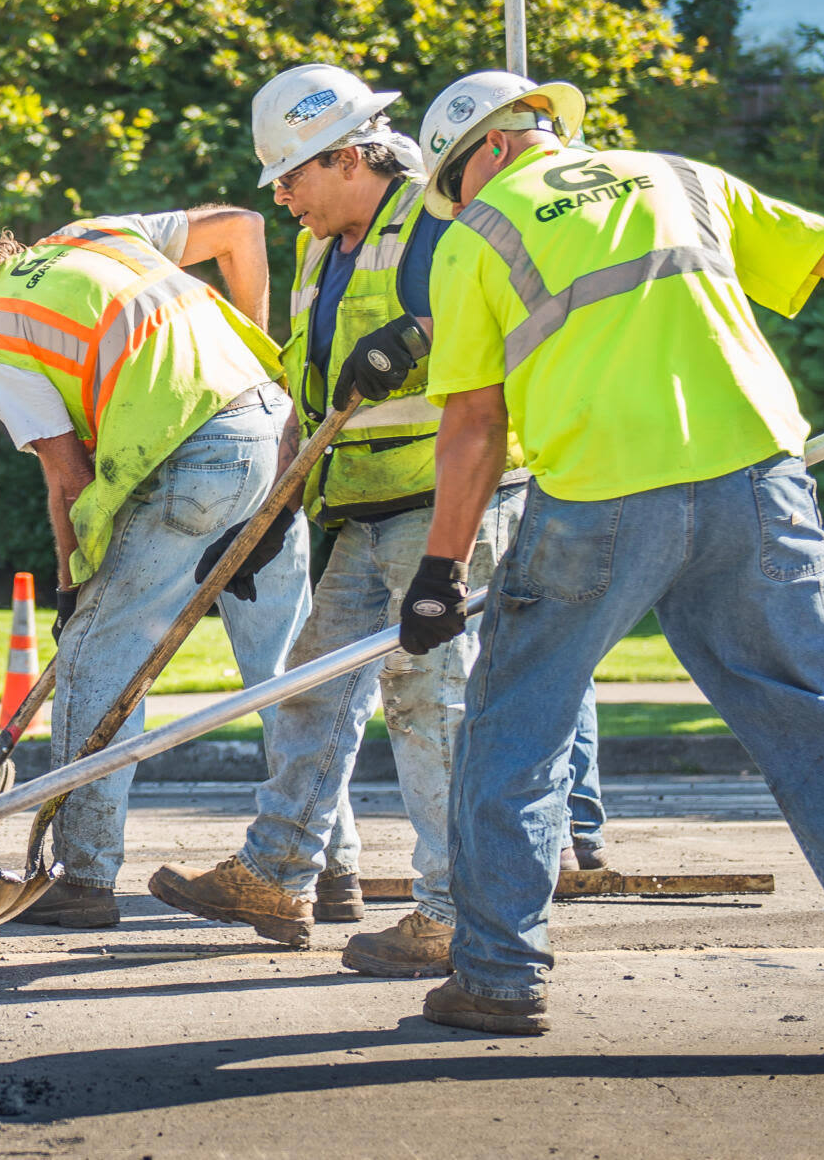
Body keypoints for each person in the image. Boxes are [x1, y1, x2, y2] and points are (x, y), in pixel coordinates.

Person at [403, 69, 824, 1049]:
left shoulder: (476, 234)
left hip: (595, 500)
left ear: (493, 149)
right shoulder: (683, 175)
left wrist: (438, 569)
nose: (455, 202)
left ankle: (500, 976)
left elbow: (472, 423)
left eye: (450, 182)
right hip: (755, 485)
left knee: (516, 726)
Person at [149, 64, 602, 970]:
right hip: (360, 508)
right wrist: (268, 517)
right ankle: (276, 872)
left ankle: (448, 912)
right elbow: (307, 397)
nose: (281, 199)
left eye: (292, 177)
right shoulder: (325, 250)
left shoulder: (435, 219)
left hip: (441, 505)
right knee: (313, 689)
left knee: (430, 704)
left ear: (349, 156)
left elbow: (483, 320)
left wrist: (414, 337)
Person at [0, 194, 311, 930]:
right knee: (291, 669)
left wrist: (73, 586)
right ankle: (321, 871)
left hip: (195, 458)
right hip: (274, 430)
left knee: (96, 658)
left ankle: (80, 876)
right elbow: (243, 228)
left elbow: (67, 478)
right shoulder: (95, 235)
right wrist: (254, 368)